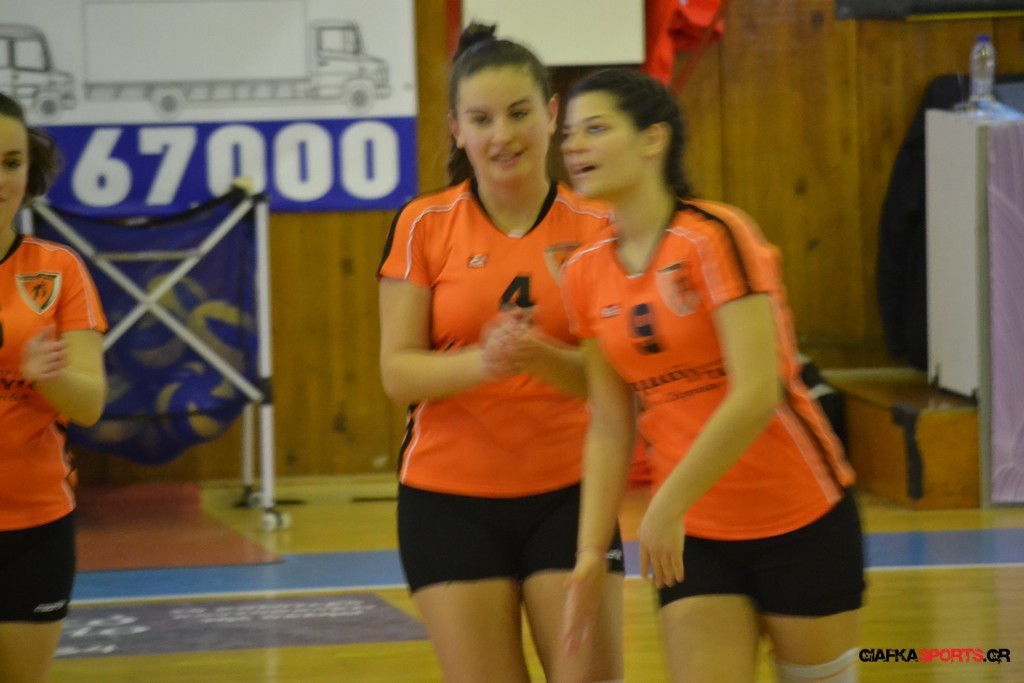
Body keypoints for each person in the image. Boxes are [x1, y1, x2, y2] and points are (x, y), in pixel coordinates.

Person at [560, 69, 865, 682]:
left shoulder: (716, 235)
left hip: (799, 513)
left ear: (653, 139)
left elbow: (757, 392)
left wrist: (665, 504)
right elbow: (611, 424)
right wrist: (592, 551)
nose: (573, 147)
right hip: (693, 531)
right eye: (568, 134)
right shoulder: (583, 271)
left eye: (595, 129)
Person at [377, 24, 625, 683]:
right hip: (449, 501)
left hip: (571, 494)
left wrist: (542, 358)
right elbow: (398, 374)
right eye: (481, 119)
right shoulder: (424, 224)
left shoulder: (600, 226)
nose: (502, 135)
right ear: (456, 129)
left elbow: (618, 385)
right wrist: (483, 363)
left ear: (551, 114)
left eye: (519, 113)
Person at [0, 93, 108, 682]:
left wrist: (50, 375)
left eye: (12, 162)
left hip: (34, 526)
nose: (1, 179)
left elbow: (89, 404)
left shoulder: (58, 268)